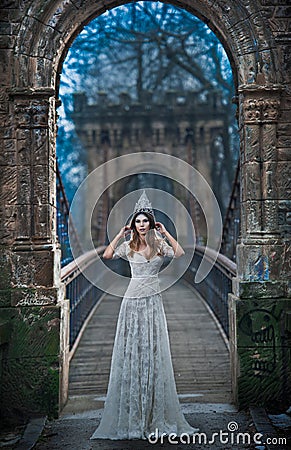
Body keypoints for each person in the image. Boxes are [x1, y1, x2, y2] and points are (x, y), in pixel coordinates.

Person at [90, 191, 199, 440]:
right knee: (134, 349)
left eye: (145, 221)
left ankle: (152, 411)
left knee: (153, 349)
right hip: (131, 301)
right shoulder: (127, 246)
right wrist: (120, 233)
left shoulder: (159, 244)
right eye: (138, 221)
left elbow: (180, 253)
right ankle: (134, 412)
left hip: (153, 301)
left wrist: (165, 232)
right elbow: (107, 256)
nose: (141, 225)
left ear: (150, 223)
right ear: (134, 224)